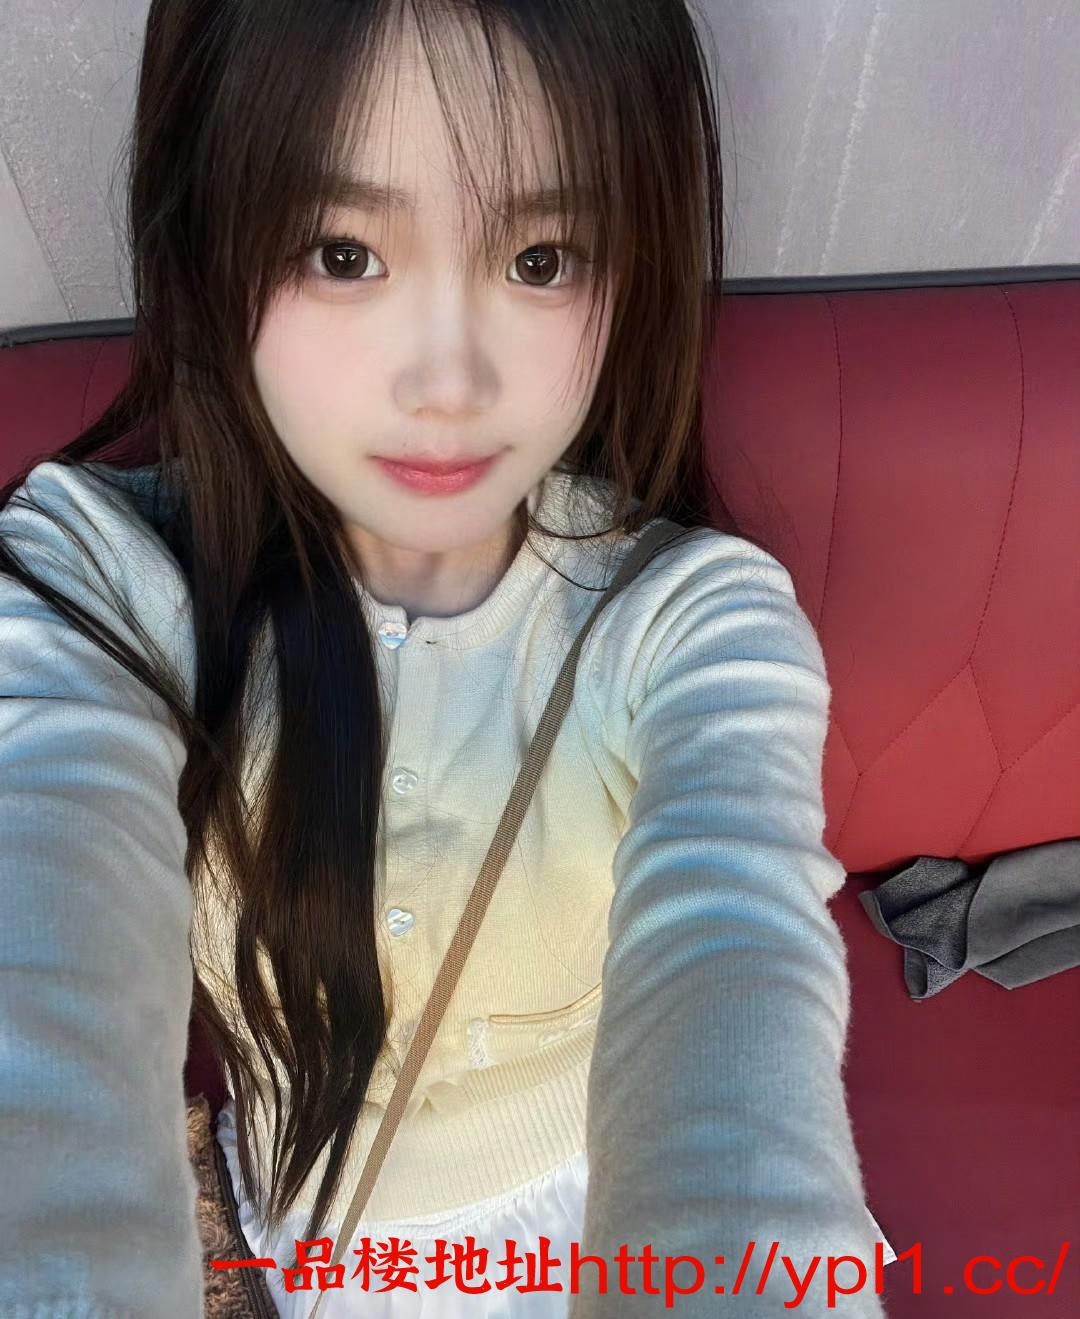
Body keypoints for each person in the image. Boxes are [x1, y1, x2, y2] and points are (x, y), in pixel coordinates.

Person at [0, 1, 891, 1315]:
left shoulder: (689, 620)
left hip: (595, 1211)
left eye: (542, 257)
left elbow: (739, 945)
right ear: (210, 235)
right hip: (310, 1225)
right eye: (343, 252)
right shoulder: (100, 579)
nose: (450, 381)